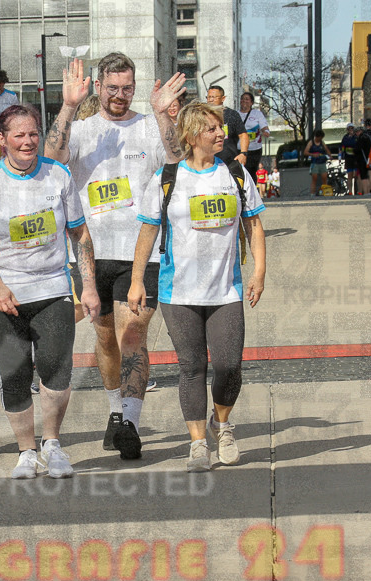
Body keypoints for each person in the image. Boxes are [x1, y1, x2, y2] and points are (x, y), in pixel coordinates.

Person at [42, 53, 182, 460]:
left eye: (128, 88)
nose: (121, 96)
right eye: (113, 88)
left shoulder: (148, 127)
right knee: (105, 339)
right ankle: (116, 412)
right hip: (90, 252)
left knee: (132, 333)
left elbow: (174, 157)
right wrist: (68, 105)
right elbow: (51, 157)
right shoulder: (84, 129)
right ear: (99, 87)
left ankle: (132, 423)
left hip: (141, 252)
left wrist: (163, 116)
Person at [128, 101, 266, 473]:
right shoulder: (167, 177)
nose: (221, 133)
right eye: (212, 129)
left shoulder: (235, 173)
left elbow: (253, 224)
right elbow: (147, 229)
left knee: (228, 365)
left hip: (226, 290)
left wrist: (259, 271)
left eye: (220, 128)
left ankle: (222, 425)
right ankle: (197, 443)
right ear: (191, 135)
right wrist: (138, 279)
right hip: (180, 292)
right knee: (191, 367)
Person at [0, 104, 100, 479]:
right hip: (3, 295)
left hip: (52, 287)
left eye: (33, 134)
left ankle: (53, 444)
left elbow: (79, 233)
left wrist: (88, 285)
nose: (28, 142)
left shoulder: (57, 175)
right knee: (15, 373)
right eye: (19, 135)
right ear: (3, 140)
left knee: (57, 368)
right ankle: (26, 451)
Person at [205, 85, 249, 167]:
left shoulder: (232, 114)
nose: (211, 100)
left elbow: (243, 135)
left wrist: (243, 153)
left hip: (229, 162)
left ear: (223, 98)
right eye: (208, 97)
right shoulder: (201, 115)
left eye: (214, 97)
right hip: (207, 162)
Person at [238, 92, 269, 178]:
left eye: (247, 99)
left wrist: (266, 131)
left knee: (251, 173)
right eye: (243, 99)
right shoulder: (236, 114)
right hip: (239, 149)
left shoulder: (257, 114)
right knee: (240, 172)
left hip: (254, 149)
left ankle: (251, 190)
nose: (244, 101)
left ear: (251, 103)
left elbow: (264, 126)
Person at [303, 130, 331, 197]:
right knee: (314, 179)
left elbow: (327, 150)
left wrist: (329, 155)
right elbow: (305, 152)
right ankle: (312, 194)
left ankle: (325, 192)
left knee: (324, 178)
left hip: (322, 162)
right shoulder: (311, 143)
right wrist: (312, 154)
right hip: (315, 163)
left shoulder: (322, 142)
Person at [340, 123, 359, 194]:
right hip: (348, 158)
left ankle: (357, 191)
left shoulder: (356, 137)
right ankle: (350, 191)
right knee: (349, 175)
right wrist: (341, 156)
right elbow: (342, 147)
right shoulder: (345, 137)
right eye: (349, 128)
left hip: (356, 158)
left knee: (356, 176)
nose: (351, 130)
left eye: (352, 128)